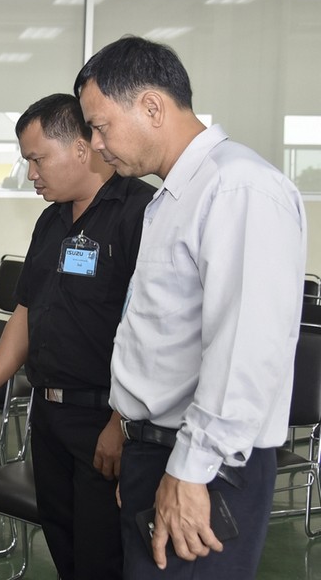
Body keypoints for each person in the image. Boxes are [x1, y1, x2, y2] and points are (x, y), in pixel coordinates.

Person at [75, 35, 307, 579]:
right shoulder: (175, 196)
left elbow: (244, 350)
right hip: (162, 451)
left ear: (152, 107)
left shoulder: (238, 188)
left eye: (101, 126)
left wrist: (189, 472)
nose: (96, 144)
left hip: (206, 466)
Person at [0, 93, 154, 579]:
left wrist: (121, 422)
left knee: (102, 558)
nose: (30, 173)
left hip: (104, 419)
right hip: (48, 416)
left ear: (81, 149)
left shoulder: (140, 214)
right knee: (65, 549)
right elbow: (26, 312)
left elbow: (152, 330)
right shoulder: (51, 220)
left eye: (37, 159)